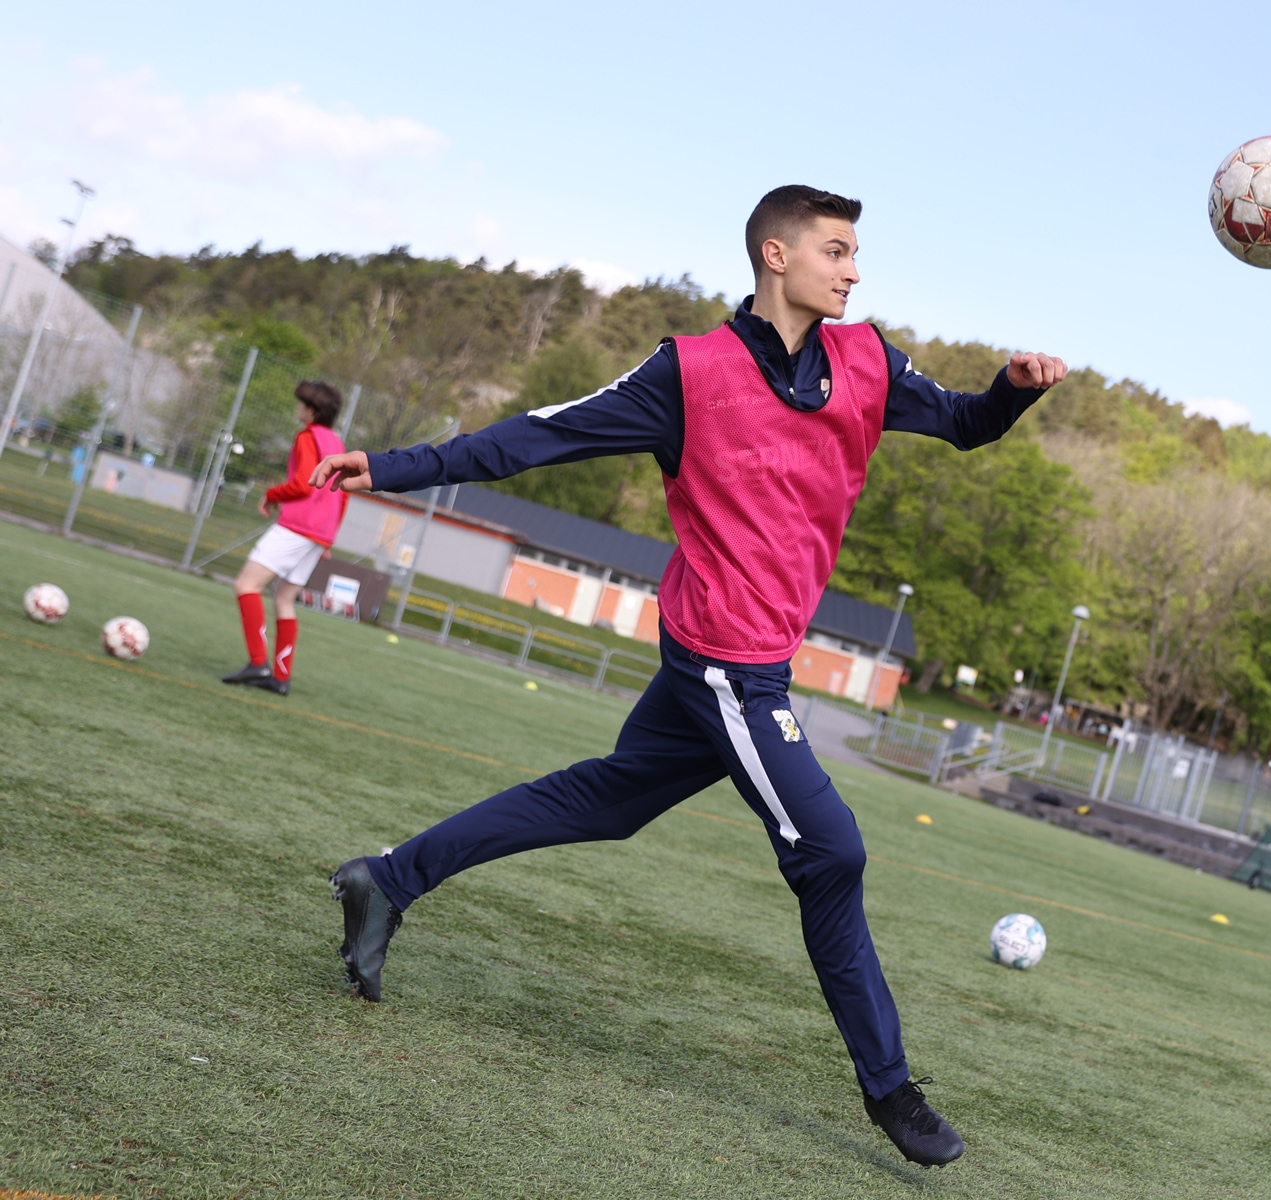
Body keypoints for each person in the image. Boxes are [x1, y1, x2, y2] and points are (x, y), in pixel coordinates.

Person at [311, 186, 1067, 1167]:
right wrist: (400, 467)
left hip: (747, 659)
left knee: (608, 800)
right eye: (836, 250)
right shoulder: (689, 373)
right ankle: (891, 1092)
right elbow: (539, 435)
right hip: (725, 660)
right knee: (831, 853)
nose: (854, 269)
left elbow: (966, 423)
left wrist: (1011, 389)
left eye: (854, 253)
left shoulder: (868, 358)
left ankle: (388, 880)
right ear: (776, 255)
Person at [221, 380, 348, 696]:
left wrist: (271, 493)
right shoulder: (336, 442)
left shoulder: (308, 437)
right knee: (283, 599)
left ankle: (258, 662)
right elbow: (342, 492)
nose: (298, 408)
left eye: (301, 403)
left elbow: (303, 484)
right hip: (319, 532)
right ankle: (279, 677)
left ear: (311, 410)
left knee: (246, 585)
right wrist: (328, 538)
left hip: (298, 525)